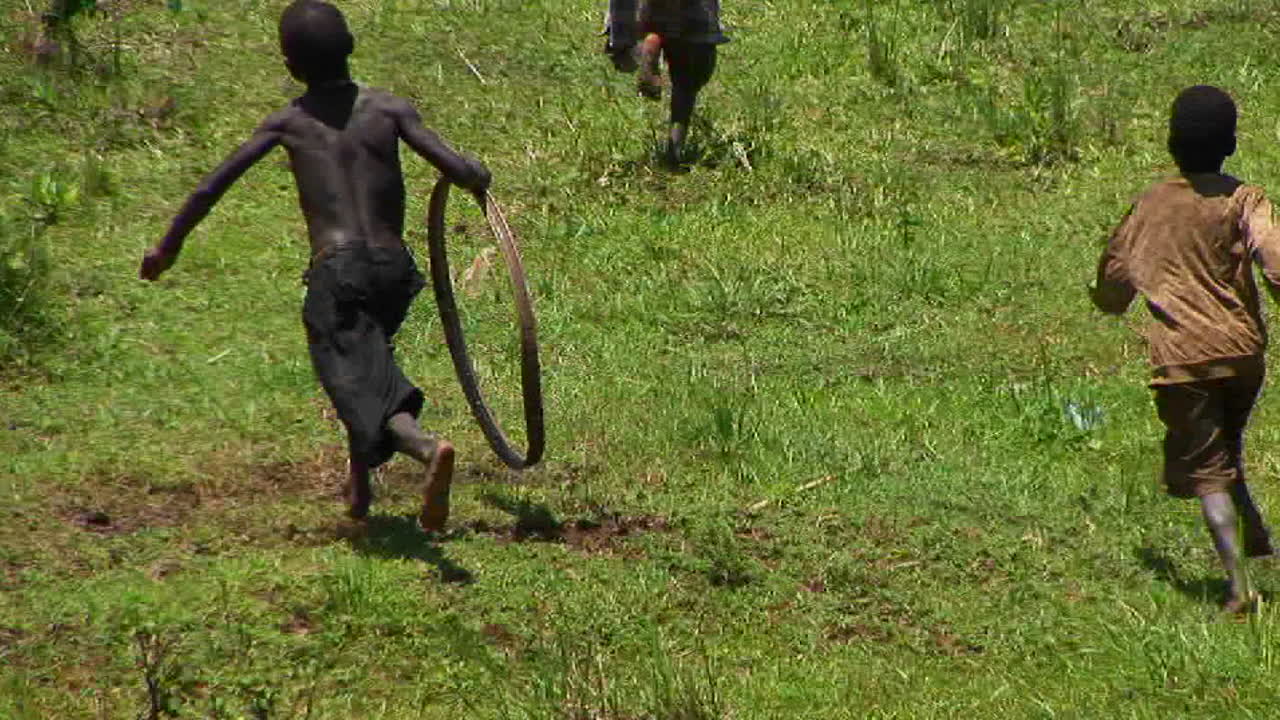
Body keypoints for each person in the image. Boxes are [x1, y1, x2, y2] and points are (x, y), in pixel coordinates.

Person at [139, 0, 491, 532]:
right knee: (361, 364)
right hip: (392, 268)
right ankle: (360, 491)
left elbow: (212, 186)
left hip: (338, 270)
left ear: (290, 67)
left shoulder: (289, 123)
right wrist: (476, 173)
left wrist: (167, 249)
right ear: (351, 48)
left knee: (352, 373)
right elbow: (456, 168)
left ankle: (424, 446)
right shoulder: (390, 108)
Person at [1090, 85, 1279, 613]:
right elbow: (1278, 263)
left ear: (1172, 142)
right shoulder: (1246, 199)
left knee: (1208, 470)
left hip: (1182, 358)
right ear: (1232, 144)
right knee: (1226, 449)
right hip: (1243, 355)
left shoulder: (1151, 206)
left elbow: (1113, 283)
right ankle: (1260, 546)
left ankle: (1240, 586)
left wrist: (1108, 299)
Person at [604, 0, 728, 166]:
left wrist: (620, 41)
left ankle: (649, 40)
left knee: (632, 24)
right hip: (693, 17)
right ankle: (675, 150)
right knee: (688, 80)